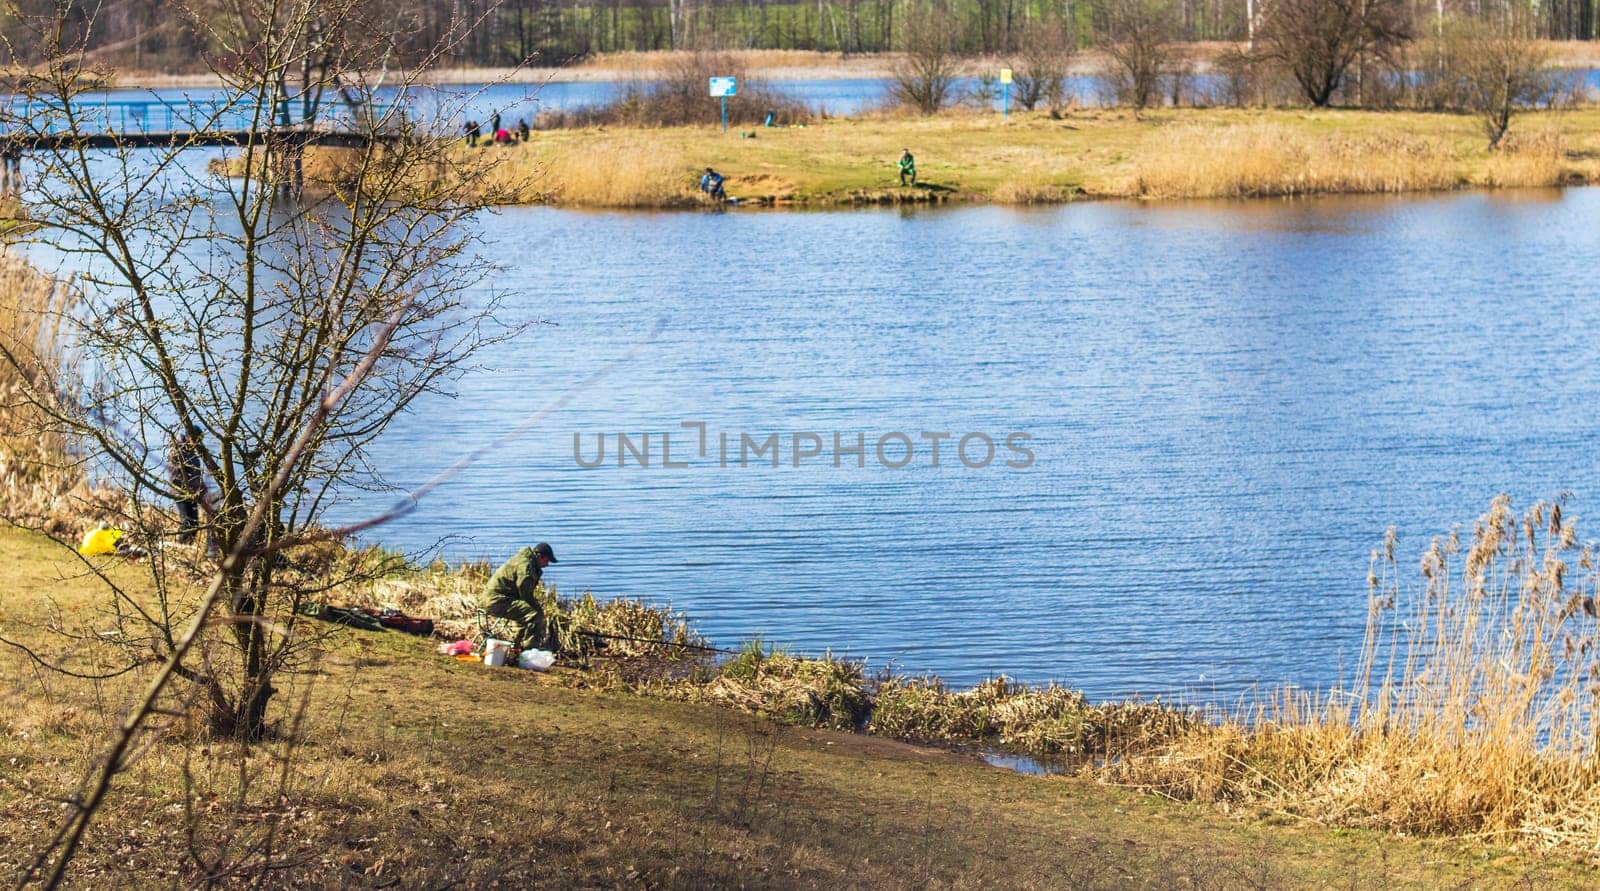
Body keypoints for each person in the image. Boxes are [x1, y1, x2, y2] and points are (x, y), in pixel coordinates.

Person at [483, 542, 558, 651]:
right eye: (546, 560)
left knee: (527, 612)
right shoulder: (526, 566)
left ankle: (516, 647)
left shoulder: (526, 559)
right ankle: (529, 650)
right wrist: (535, 605)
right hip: (496, 601)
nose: (547, 565)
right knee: (535, 614)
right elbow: (524, 590)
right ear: (539, 556)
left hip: (497, 598)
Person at [166, 427, 210, 546]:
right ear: (189, 437)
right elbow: (176, 475)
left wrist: (201, 489)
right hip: (180, 492)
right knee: (187, 521)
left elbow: (195, 474)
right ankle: (180, 546)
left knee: (195, 523)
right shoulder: (177, 451)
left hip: (192, 493)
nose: (198, 443)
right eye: (196, 439)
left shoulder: (191, 451)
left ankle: (188, 546)